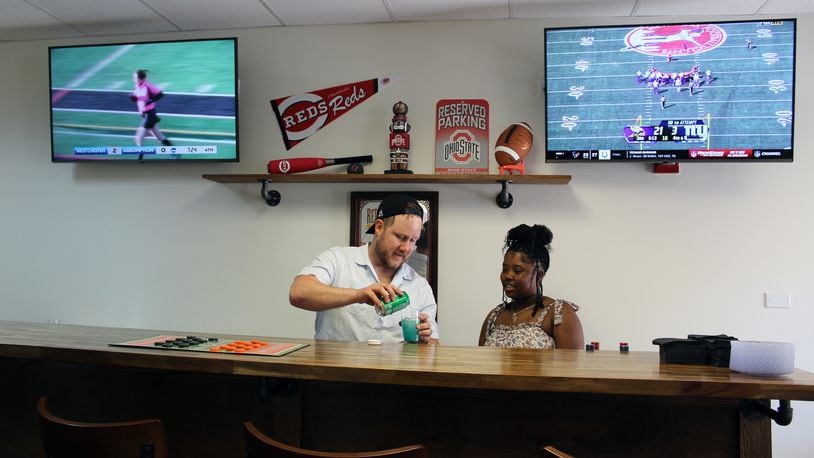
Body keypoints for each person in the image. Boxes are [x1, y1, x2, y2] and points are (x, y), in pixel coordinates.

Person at [290, 193, 439, 344]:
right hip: (336, 367)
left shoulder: (420, 287)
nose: (406, 248)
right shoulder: (338, 259)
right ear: (379, 227)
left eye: (413, 240)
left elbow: (434, 347)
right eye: (400, 237)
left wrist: (425, 340)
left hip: (394, 368)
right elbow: (299, 293)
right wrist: (358, 295)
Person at [479, 224, 583, 349]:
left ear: (539, 273)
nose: (508, 276)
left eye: (517, 270)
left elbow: (571, 367)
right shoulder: (494, 316)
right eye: (505, 269)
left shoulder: (558, 313)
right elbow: (481, 364)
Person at [130, 69, 172, 147]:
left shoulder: (148, 86)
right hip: (145, 115)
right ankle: (175, 153)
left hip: (149, 115)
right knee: (159, 137)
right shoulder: (137, 86)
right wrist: (134, 98)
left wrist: (151, 100)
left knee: (138, 138)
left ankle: (140, 158)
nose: (134, 79)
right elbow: (139, 99)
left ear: (141, 78)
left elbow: (160, 94)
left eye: (135, 78)